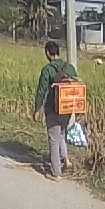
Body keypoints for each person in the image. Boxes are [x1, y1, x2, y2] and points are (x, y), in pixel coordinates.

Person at [32, 40, 78, 180]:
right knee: (61, 134)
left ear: (47, 53)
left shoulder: (47, 69)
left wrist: (37, 109)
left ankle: (56, 173)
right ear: (58, 51)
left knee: (53, 138)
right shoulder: (69, 67)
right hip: (67, 108)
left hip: (53, 109)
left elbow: (41, 90)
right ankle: (66, 160)